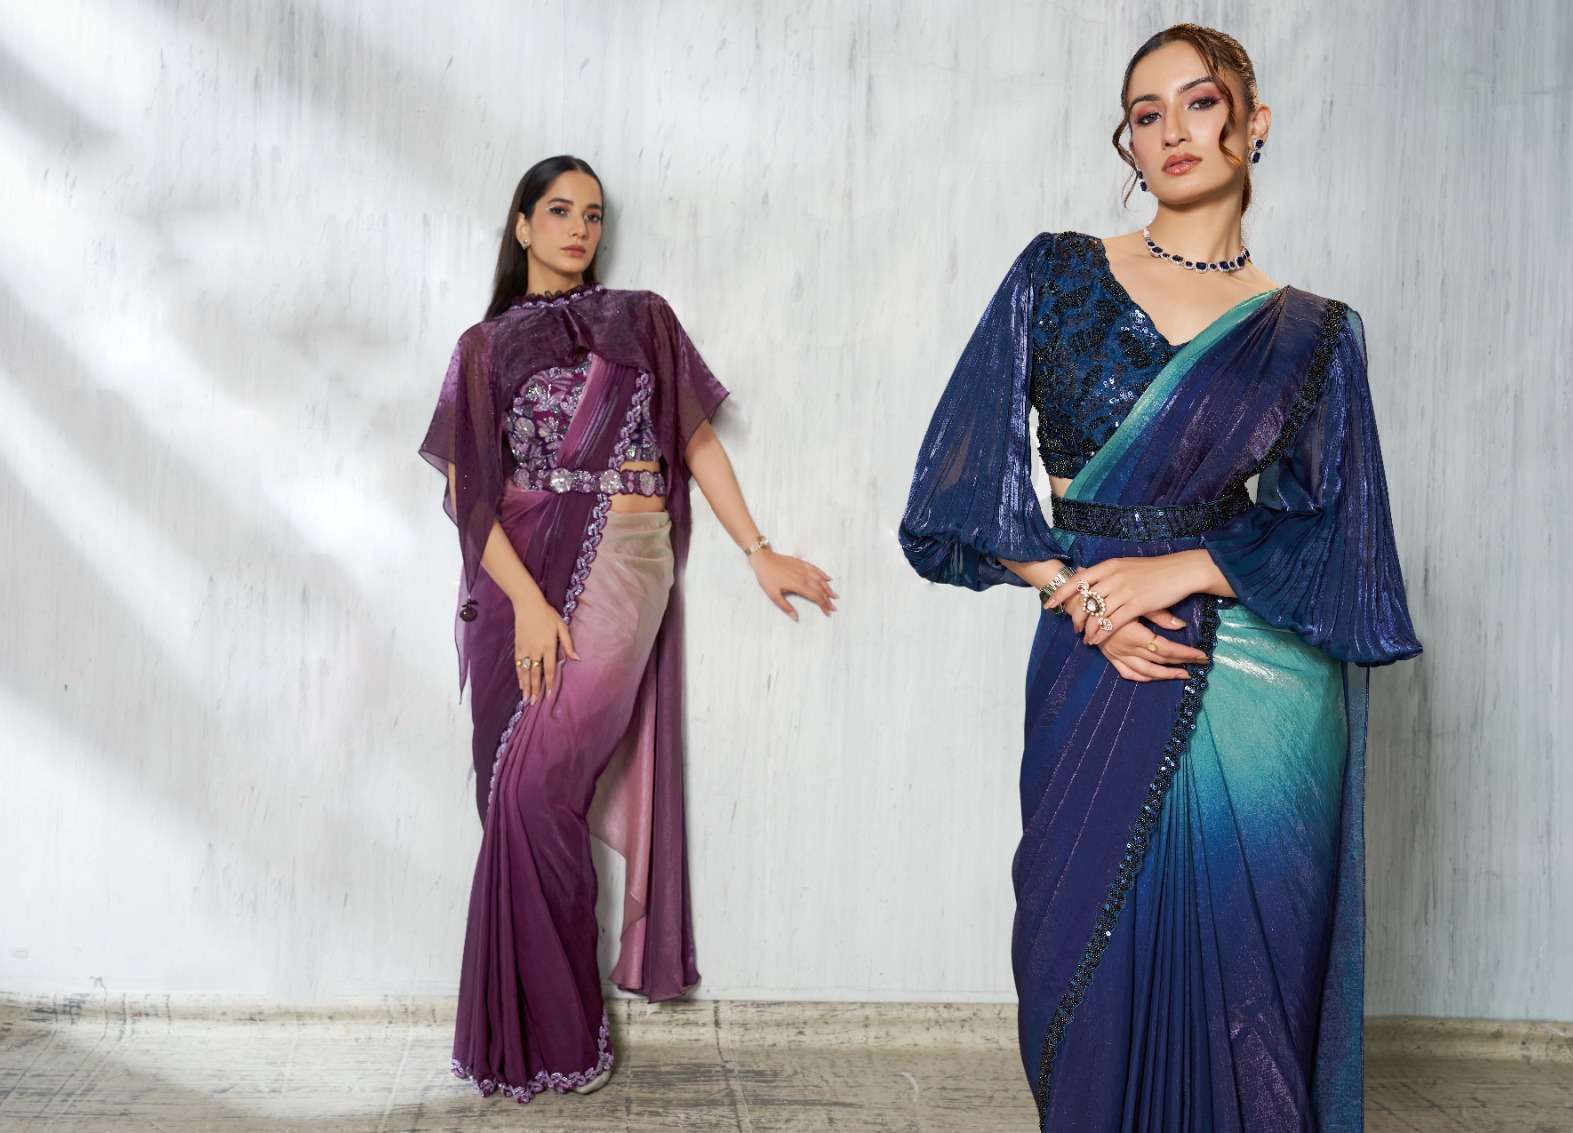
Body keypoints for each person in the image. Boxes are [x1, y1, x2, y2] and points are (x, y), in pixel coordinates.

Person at [899, 25, 1420, 1131]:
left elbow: (1346, 549)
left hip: (1259, 690)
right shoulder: (1056, 273)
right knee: (1079, 969)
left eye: (1200, 101)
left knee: (1250, 991)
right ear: (1128, 144)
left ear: (1253, 122)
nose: (1173, 129)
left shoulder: (1315, 335)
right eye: (1147, 113)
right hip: (1096, 657)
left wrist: (1179, 566)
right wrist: (1081, 595)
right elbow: (960, 485)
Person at [420, 155, 836, 1103]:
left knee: (538, 788)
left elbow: (694, 440)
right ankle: (536, 1038)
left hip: (628, 559)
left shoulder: (642, 317)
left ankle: (560, 1033)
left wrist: (758, 549)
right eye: (559, 211)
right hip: (519, 576)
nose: (579, 228)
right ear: (522, 224)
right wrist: (530, 604)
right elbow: (468, 493)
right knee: (520, 796)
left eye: (594, 214)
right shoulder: (482, 348)